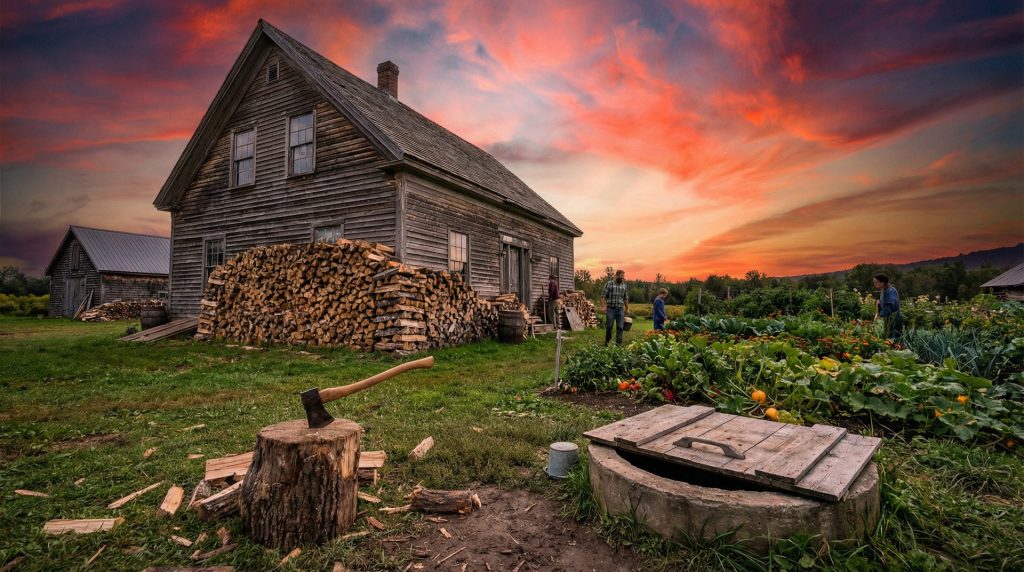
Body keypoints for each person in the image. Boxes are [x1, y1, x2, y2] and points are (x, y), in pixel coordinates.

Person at [601, 269, 630, 345]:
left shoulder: (624, 285)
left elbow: (625, 298)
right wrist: (603, 307)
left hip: (620, 309)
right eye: (621, 276)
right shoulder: (609, 284)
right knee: (609, 326)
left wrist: (627, 309)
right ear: (616, 275)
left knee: (620, 327)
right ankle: (607, 341)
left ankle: (618, 344)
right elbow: (603, 296)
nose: (622, 278)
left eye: (623, 276)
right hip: (611, 309)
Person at [873, 273, 903, 339]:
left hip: (893, 319)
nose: (874, 284)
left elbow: (889, 308)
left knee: (894, 339)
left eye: (876, 282)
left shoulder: (890, 291)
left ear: (882, 282)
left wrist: (879, 316)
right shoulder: (883, 290)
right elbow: (882, 304)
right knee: (888, 338)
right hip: (888, 319)